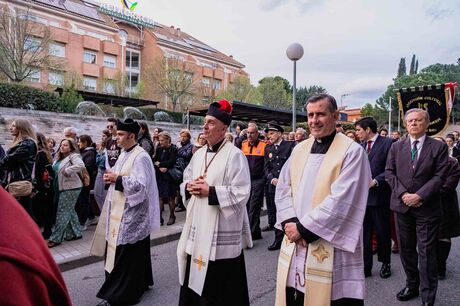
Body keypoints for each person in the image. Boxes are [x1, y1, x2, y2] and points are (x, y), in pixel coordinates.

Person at [275, 94, 371, 306]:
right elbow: (283, 188)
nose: (314, 120)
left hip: (328, 242)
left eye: (320, 114)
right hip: (296, 236)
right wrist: (290, 223)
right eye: (310, 115)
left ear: (335, 116)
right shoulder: (299, 149)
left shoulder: (352, 152)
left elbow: (342, 200)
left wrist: (304, 229)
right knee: (297, 295)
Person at [177, 99, 252, 306]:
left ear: (224, 127)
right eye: (205, 122)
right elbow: (186, 178)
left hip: (221, 238)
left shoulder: (235, 155)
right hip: (198, 229)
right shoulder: (199, 153)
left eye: (210, 122)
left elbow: (242, 192)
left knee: (220, 292)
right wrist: (189, 186)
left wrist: (210, 192)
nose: (204, 126)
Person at [91, 118, 160, 306]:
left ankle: (119, 295)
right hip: (120, 210)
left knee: (126, 254)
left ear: (131, 135)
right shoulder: (123, 153)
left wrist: (117, 179)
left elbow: (141, 187)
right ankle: (142, 282)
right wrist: (111, 177)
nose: (117, 137)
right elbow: (119, 174)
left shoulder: (141, 156)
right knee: (134, 252)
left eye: (120, 134)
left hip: (133, 213)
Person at [385, 108, 448, 306]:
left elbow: (440, 176)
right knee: (406, 250)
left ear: (427, 124)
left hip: (427, 208)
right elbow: (389, 173)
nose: (413, 123)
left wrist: (420, 195)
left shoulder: (438, 147)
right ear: (405, 124)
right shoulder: (397, 147)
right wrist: (404, 194)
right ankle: (412, 285)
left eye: (418, 120)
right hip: (402, 207)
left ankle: (428, 297)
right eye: (410, 120)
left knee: (427, 253)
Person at [0, 187, 72, 306]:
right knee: (67, 212)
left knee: (65, 211)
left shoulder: (6, 262)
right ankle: (73, 232)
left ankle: (59, 236)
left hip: (67, 187)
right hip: (61, 188)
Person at [355, 116, 393, 279]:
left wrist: (376, 181)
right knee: (365, 234)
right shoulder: (360, 147)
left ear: (368, 129)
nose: (356, 134)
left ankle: (385, 263)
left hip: (380, 197)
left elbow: (391, 169)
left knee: (383, 232)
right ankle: (366, 266)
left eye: (358, 130)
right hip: (362, 199)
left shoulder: (388, 143)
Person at [47, 138, 85, 248]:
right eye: (62, 145)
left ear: (71, 147)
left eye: (66, 145)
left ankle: (56, 238)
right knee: (69, 210)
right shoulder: (59, 157)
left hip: (71, 188)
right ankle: (75, 233)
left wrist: (68, 170)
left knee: (62, 212)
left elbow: (81, 165)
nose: (62, 147)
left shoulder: (74, 156)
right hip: (61, 187)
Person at [263, 120, 294, 251]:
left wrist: (286, 180)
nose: (269, 136)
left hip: (287, 186)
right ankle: (278, 239)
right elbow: (266, 168)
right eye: (268, 134)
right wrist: (272, 179)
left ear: (280, 133)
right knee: (275, 212)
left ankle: (290, 237)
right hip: (273, 186)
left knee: (287, 212)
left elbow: (294, 165)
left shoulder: (290, 146)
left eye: (272, 133)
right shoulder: (268, 148)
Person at [433, 137, 460, 279]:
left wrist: (424, 193)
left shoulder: (452, 163)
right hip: (427, 206)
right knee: (429, 237)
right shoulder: (426, 161)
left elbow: (448, 186)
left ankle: (441, 265)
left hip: (446, 205)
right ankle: (431, 264)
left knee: (443, 236)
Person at [0, 119, 38, 220]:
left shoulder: (27, 144)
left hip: (19, 184)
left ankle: (33, 235)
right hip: (16, 183)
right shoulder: (23, 143)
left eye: (13, 126)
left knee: (25, 216)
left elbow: (8, 160)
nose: (10, 128)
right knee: (23, 215)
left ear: (21, 128)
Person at [242, 123, 267, 240]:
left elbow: (266, 165)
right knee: (247, 206)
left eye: (252, 133)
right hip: (246, 180)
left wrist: (264, 179)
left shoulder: (264, 146)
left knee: (254, 206)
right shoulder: (242, 145)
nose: (249, 135)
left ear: (257, 134)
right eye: (248, 133)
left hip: (258, 180)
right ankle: (256, 231)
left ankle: (250, 235)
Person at [32, 132, 55, 239]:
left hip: (43, 187)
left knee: (44, 210)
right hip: (46, 187)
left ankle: (46, 232)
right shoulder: (45, 153)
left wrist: (35, 189)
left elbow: (38, 173)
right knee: (46, 210)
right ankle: (47, 231)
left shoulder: (40, 154)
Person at [153, 131, 178, 225]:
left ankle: (172, 216)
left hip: (170, 176)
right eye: (160, 140)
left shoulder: (173, 149)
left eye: (162, 140)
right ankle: (159, 218)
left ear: (168, 140)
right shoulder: (159, 148)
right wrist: (159, 166)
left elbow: (172, 161)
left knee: (170, 197)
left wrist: (161, 164)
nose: (161, 142)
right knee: (160, 197)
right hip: (160, 176)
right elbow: (154, 160)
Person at [76, 135, 98, 230]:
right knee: (84, 199)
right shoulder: (85, 152)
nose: (78, 143)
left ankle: (82, 222)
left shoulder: (89, 153)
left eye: (80, 142)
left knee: (83, 200)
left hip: (86, 180)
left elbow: (88, 167)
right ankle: (91, 217)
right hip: (84, 180)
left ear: (85, 142)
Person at [175, 129, 194, 212]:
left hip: (185, 168)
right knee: (177, 186)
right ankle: (178, 202)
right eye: (181, 136)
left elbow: (186, 155)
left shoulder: (190, 146)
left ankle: (182, 204)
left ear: (188, 137)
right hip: (178, 167)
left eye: (184, 136)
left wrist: (179, 148)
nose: (182, 138)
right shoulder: (179, 144)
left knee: (183, 186)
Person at [94, 130, 111, 211]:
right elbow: (97, 161)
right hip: (100, 170)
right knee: (98, 193)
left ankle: (105, 214)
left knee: (100, 194)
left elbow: (102, 160)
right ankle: (103, 213)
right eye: (102, 135)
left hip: (105, 171)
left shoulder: (110, 146)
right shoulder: (102, 147)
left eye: (104, 136)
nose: (102, 137)